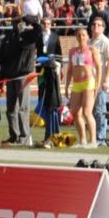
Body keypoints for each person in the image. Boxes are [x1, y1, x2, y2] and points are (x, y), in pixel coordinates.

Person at [0, 14, 40, 146]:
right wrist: (1, 80)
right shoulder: (7, 38)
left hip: (23, 76)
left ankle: (24, 136)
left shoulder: (29, 35)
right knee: (11, 108)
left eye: (19, 22)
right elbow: (3, 60)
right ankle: (14, 135)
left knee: (23, 107)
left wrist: (30, 20)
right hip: (10, 77)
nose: (17, 24)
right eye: (15, 21)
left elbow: (38, 30)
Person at [63, 26, 98, 147]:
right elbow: (69, 70)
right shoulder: (72, 51)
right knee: (76, 113)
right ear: (76, 37)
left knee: (87, 113)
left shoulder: (92, 50)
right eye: (79, 35)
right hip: (76, 84)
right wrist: (67, 86)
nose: (81, 37)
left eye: (83, 35)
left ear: (87, 36)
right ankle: (83, 140)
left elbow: (98, 68)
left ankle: (93, 140)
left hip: (88, 83)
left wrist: (97, 85)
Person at [36, 16, 63, 147]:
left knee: (52, 102)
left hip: (52, 72)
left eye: (48, 23)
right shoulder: (38, 37)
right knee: (43, 100)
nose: (46, 25)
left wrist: (59, 67)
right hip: (41, 72)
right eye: (44, 23)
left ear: (51, 25)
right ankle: (47, 134)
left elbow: (59, 54)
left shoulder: (55, 37)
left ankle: (54, 134)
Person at [89, 16, 109, 142]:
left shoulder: (106, 42)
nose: (96, 27)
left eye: (99, 25)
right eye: (94, 24)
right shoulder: (89, 43)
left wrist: (106, 79)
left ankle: (101, 137)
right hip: (89, 81)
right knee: (90, 110)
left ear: (103, 28)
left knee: (100, 110)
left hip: (100, 81)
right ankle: (93, 136)